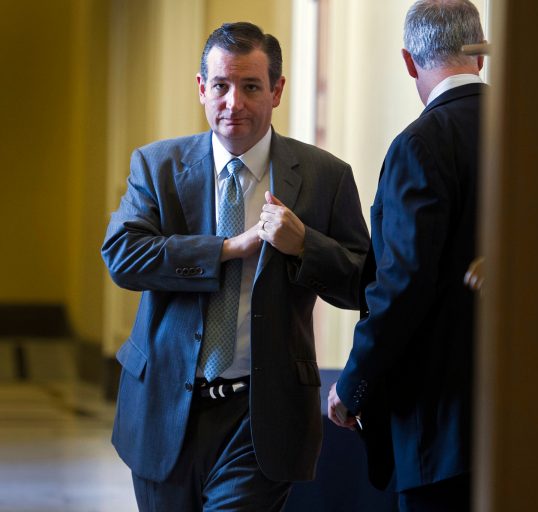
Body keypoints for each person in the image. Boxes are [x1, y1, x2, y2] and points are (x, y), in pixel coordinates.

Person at [102, 22, 369, 512]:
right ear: (202, 88)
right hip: (165, 408)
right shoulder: (158, 166)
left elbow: (363, 285)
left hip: (261, 416)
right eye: (221, 86)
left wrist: (305, 244)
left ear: (277, 91)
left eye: (250, 87)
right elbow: (122, 255)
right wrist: (225, 249)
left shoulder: (323, 177)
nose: (234, 103)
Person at [327, 1, 487, 510]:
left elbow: (404, 283)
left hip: (440, 426)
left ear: (409, 61)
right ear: (478, 56)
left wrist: (353, 384)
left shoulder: (421, 144)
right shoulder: (531, 134)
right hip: (524, 419)